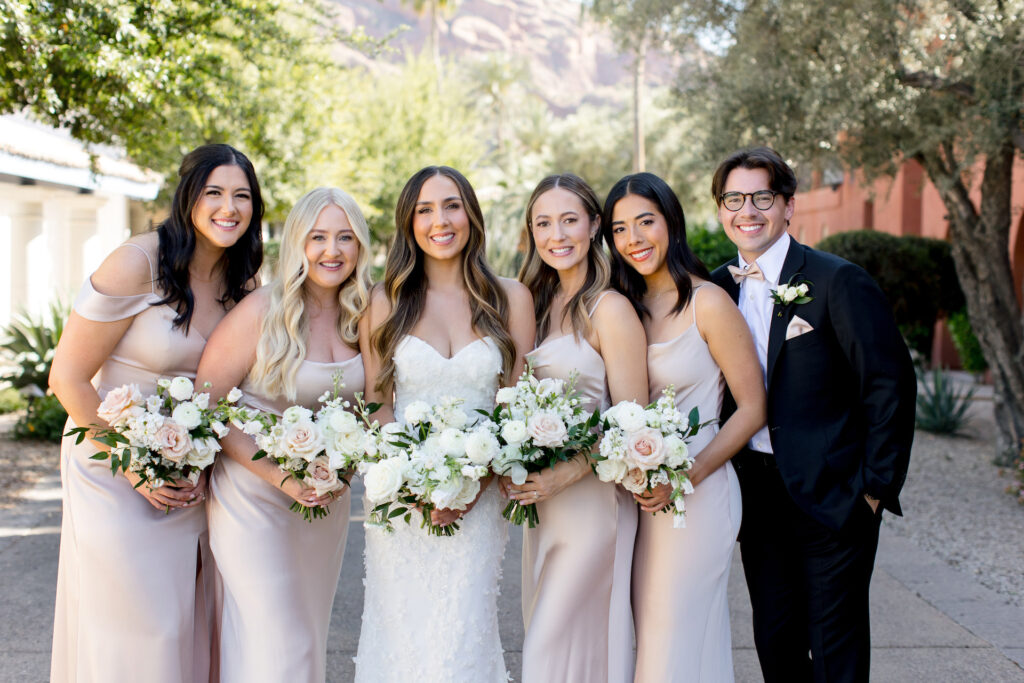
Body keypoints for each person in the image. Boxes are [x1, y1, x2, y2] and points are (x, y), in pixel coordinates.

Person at [48, 143, 263, 682]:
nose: (228, 208)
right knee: (134, 627)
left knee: (176, 627)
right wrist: (133, 464)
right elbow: (67, 378)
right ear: (188, 196)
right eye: (214, 193)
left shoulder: (245, 285)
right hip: (109, 465)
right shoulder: (136, 263)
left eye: (242, 196)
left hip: (188, 475)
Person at [708, 147, 916, 682]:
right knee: (775, 642)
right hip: (756, 495)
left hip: (835, 495)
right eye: (734, 199)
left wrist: (873, 488)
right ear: (719, 209)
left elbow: (889, 385)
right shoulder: (715, 289)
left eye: (762, 197)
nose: (747, 211)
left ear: (788, 206)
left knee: (835, 650)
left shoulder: (836, 281)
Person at [353, 166, 534, 683]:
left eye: (451, 205)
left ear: (471, 215)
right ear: (408, 222)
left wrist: (472, 482)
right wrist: (413, 481)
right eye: (425, 210)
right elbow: (377, 403)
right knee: (402, 632)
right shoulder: (385, 301)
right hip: (401, 499)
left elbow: (514, 404)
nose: (440, 221)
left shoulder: (509, 299)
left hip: (479, 500)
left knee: (463, 631)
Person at [195, 187, 371, 682]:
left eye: (345, 237)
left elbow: (373, 406)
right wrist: (279, 475)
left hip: (324, 501)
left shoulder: (365, 314)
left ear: (360, 246)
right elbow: (206, 405)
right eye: (317, 237)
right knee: (282, 639)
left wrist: (345, 468)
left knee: (305, 637)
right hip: (253, 497)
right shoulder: (261, 311)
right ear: (297, 242)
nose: (331, 251)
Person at [604, 172, 766, 682]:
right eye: (620, 229)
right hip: (639, 498)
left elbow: (754, 408)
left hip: (698, 494)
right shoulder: (620, 305)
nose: (634, 239)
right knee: (649, 637)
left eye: (645, 222)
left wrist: (689, 473)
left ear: (671, 221)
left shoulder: (709, 302)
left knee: (675, 637)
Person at [503, 173, 647, 682]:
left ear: (593, 225)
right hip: (541, 508)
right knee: (546, 636)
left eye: (569, 220)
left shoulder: (610, 308)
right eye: (543, 223)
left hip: (591, 501)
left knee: (554, 648)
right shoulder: (532, 308)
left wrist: (567, 473)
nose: (556, 235)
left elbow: (634, 420)